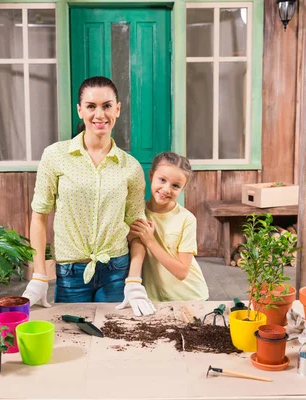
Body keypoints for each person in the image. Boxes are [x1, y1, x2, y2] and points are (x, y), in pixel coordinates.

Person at [22, 76, 156, 317]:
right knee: (72, 336)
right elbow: (39, 216)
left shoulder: (131, 167)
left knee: (115, 341)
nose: (99, 114)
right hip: (70, 273)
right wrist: (40, 274)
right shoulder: (55, 156)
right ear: (80, 110)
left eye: (106, 106)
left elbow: (137, 229)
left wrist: (133, 279)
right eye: (91, 106)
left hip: (116, 270)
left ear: (117, 109)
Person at [130, 152, 209, 302]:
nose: (166, 189)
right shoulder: (137, 212)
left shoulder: (186, 219)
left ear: (183, 188)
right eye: (162, 180)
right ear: (151, 175)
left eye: (175, 186)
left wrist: (150, 242)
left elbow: (182, 272)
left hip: (190, 297)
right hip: (154, 298)